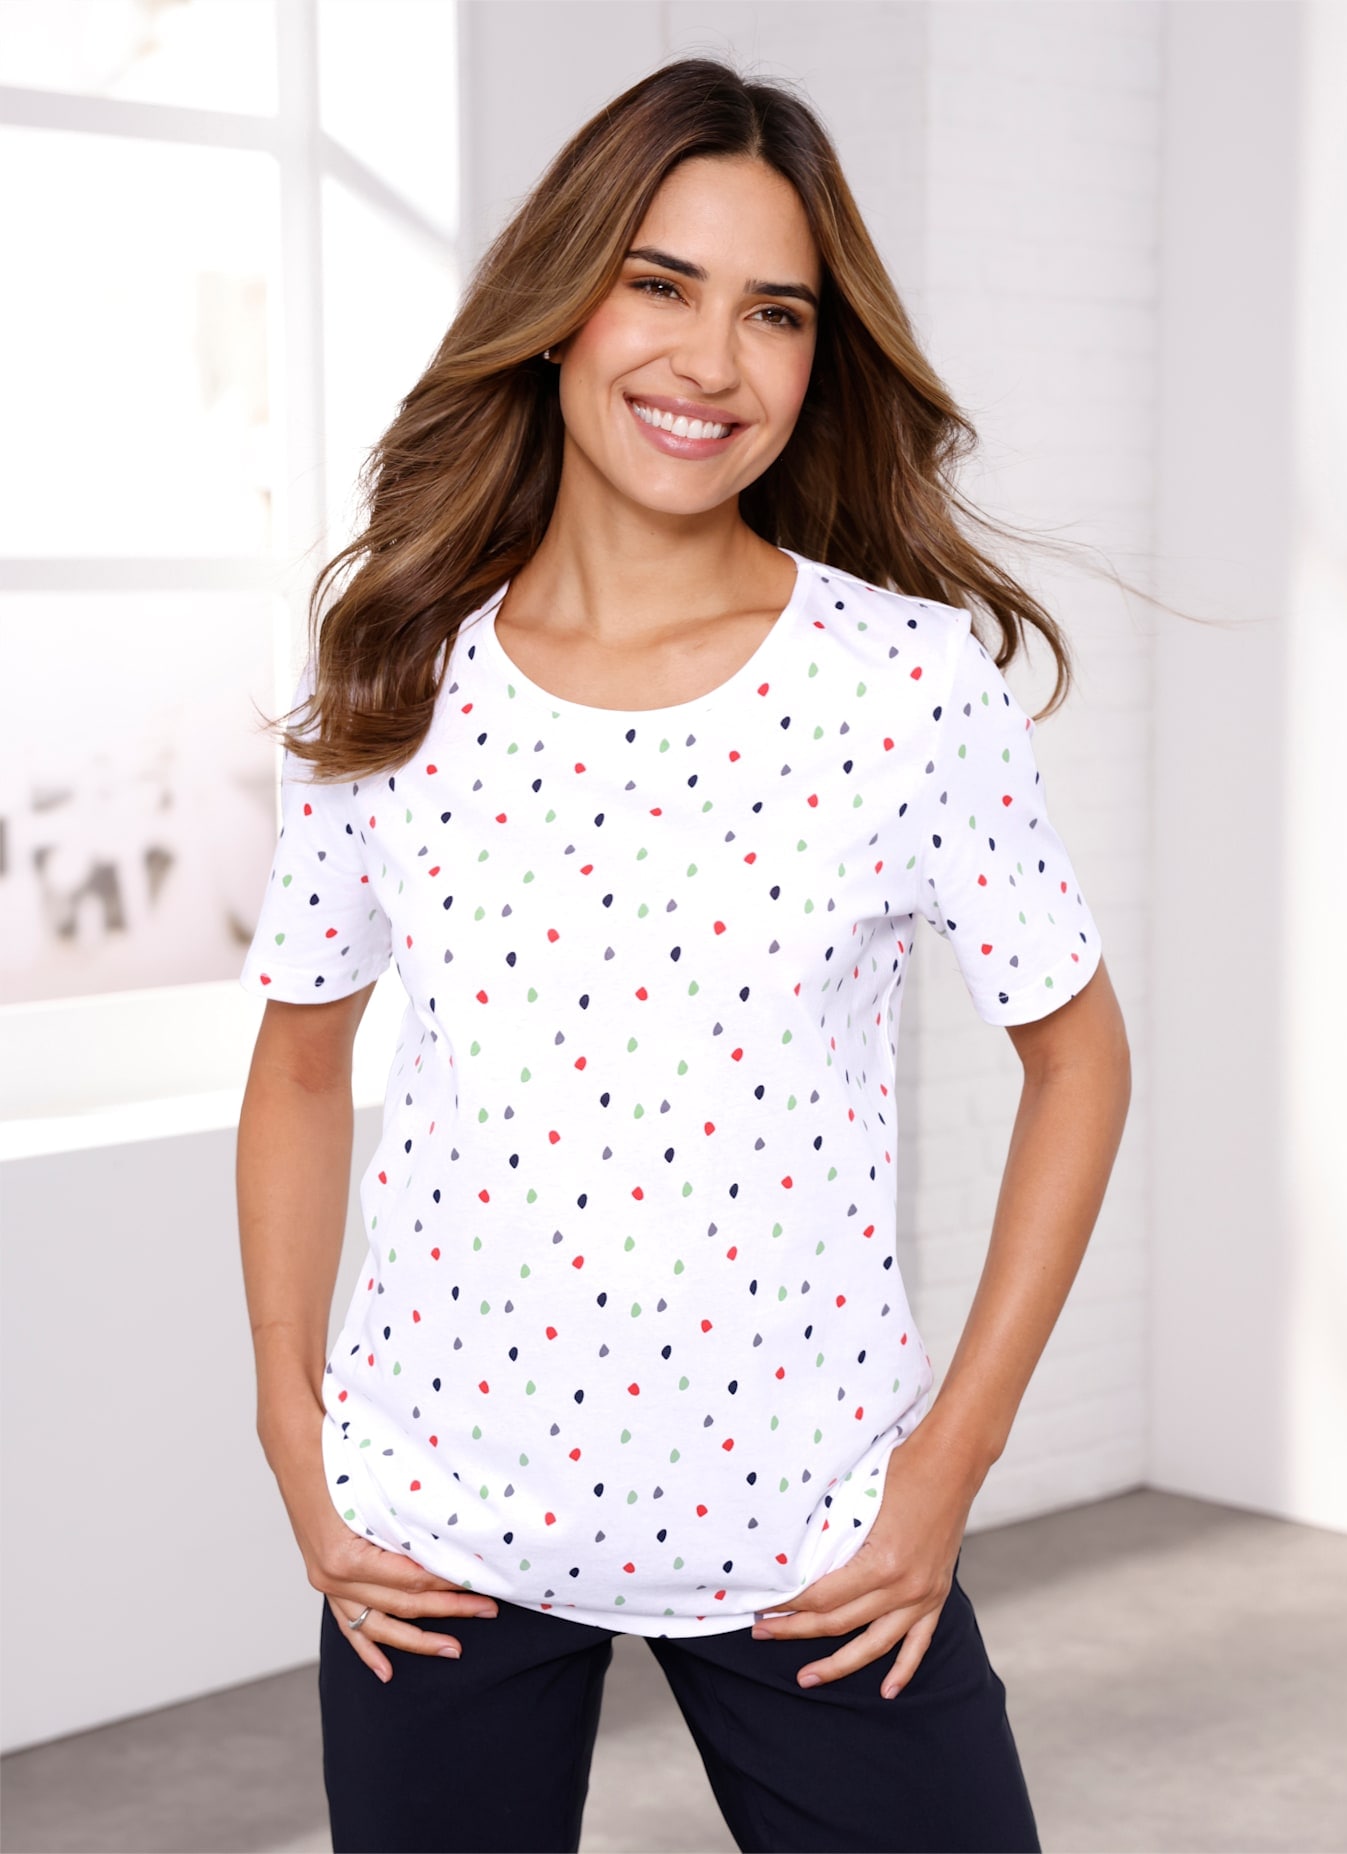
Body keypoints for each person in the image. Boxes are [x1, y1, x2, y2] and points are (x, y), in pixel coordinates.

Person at [236, 53, 1131, 1854]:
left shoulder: (901, 686)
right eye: (661, 283)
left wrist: (947, 1462)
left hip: (817, 1538)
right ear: (562, 304)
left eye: (774, 312)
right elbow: (302, 1063)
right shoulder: (399, 671)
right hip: (436, 1530)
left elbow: (1080, 1059)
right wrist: (292, 1423)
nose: (712, 361)